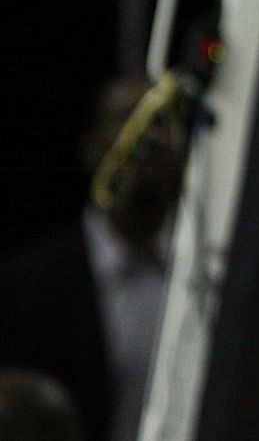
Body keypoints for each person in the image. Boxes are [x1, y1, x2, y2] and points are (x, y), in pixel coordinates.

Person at [0, 76, 183, 441]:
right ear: (91, 146)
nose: (146, 138)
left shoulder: (212, 277)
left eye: (161, 122)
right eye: (126, 120)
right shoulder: (30, 286)